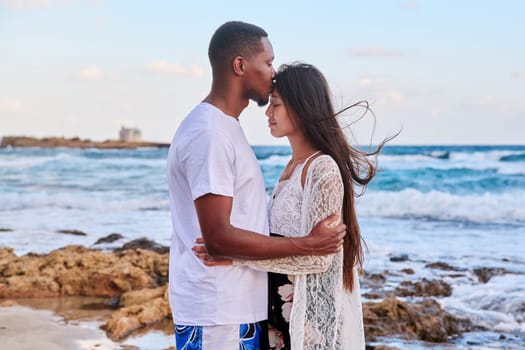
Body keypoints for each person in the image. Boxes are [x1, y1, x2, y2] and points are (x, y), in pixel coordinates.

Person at [167, 22, 346, 350]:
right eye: (267, 62)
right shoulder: (211, 134)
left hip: (236, 307)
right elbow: (218, 238)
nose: (273, 72)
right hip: (219, 310)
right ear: (240, 66)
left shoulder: (225, 129)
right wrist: (308, 245)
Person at [195, 62, 393, 349]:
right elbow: (294, 243)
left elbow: (318, 258)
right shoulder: (292, 168)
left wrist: (235, 256)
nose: (267, 112)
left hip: (306, 321)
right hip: (280, 318)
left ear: (301, 108)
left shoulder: (322, 169)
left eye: (275, 104)